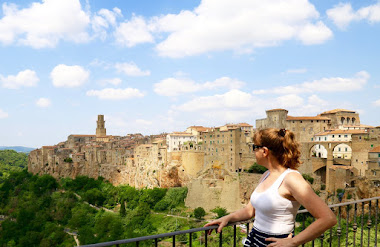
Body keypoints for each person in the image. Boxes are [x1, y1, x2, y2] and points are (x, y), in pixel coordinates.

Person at [204, 128, 337, 247]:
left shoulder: (291, 179)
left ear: (265, 151)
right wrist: (227, 218)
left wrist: (293, 242)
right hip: (254, 239)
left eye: (254, 147)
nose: (253, 151)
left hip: (275, 243)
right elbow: (250, 211)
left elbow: (328, 218)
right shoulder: (266, 175)